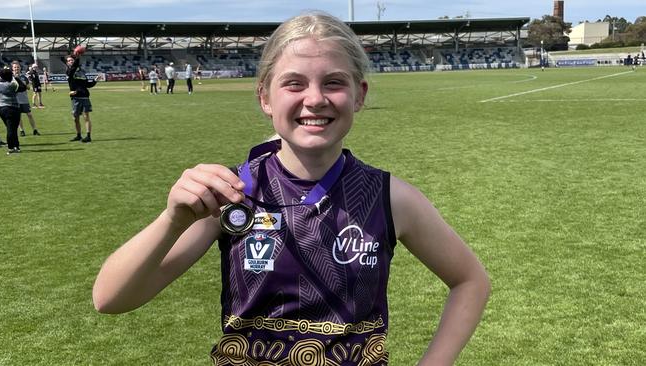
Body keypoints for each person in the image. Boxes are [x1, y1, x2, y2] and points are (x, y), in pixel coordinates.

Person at [92, 12, 490, 365]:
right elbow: (110, 299)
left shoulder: (391, 197)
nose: (314, 99)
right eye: (294, 84)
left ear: (359, 95)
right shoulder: (232, 192)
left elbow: (470, 281)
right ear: (265, 96)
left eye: (333, 82)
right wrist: (172, 220)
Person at [66, 51, 99, 143]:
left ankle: (88, 136)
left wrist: (94, 80)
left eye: (72, 60)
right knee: (75, 118)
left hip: (84, 97)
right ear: (67, 63)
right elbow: (73, 68)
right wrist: (77, 57)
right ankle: (78, 135)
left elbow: (87, 85)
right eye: (69, 61)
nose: (71, 61)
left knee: (86, 117)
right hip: (75, 98)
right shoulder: (69, 72)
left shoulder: (82, 72)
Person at [0, 67, 22, 154]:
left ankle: (16, 146)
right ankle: (11, 148)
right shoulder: (11, 85)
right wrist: (15, 77)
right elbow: (23, 87)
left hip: (2, 108)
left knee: (11, 128)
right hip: (13, 108)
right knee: (12, 129)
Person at [11, 61, 40, 137]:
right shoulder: (10, 78)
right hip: (15, 100)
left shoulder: (24, 77)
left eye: (18, 67)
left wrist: (20, 81)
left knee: (29, 114)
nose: (16, 68)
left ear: (20, 68)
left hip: (24, 99)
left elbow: (28, 87)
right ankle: (22, 130)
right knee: (19, 116)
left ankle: (35, 130)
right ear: (12, 68)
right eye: (15, 67)